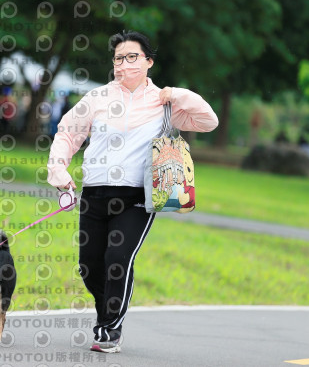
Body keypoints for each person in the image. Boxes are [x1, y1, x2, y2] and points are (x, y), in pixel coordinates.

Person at [47, 30, 218, 353]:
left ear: (148, 61)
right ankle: (109, 310)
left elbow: (208, 121)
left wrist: (177, 94)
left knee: (117, 258)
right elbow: (67, 133)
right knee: (89, 266)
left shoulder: (165, 103)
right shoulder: (97, 98)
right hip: (94, 194)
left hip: (137, 199)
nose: (123, 64)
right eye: (118, 59)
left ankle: (109, 328)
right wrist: (58, 169)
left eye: (131, 57)